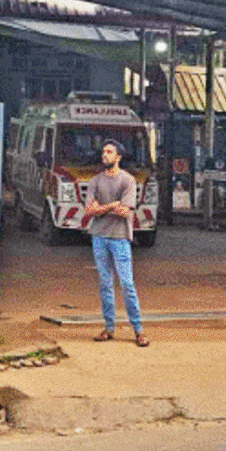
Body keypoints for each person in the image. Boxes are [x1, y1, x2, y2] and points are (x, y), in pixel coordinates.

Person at [84, 139, 149, 347]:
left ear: (118, 157)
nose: (105, 155)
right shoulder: (96, 181)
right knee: (105, 284)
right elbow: (89, 210)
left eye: (109, 152)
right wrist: (113, 204)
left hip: (120, 237)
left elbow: (125, 211)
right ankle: (109, 327)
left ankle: (138, 330)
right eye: (104, 151)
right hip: (99, 236)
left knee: (127, 284)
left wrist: (101, 208)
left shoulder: (127, 180)